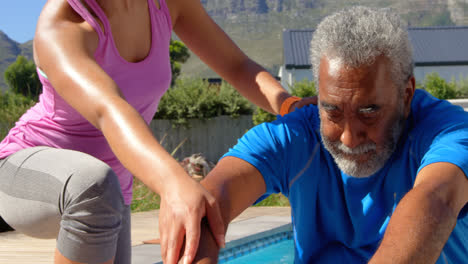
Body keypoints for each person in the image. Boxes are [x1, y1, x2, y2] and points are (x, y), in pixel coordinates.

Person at [0, 0, 313, 263]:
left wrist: (289, 106)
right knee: (92, 184)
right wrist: (173, 182)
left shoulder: (165, 5)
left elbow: (235, 65)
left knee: (99, 187)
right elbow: (109, 110)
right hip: (26, 170)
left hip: (109, 192)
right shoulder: (63, 23)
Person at [190, 6, 468, 264]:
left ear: (406, 95)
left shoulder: (449, 133)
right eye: (332, 111)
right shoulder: (295, 135)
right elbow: (207, 207)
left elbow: (435, 199)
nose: (348, 138)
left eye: (369, 111)